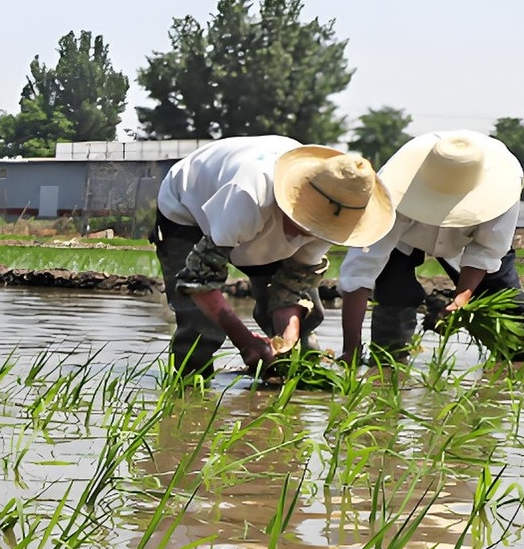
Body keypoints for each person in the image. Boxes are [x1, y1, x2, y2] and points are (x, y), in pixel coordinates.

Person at [152, 136, 393, 376]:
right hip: (188, 209)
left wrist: (287, 337)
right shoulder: (249, 196)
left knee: (305, 332)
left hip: (251, 222)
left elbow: (292, 284)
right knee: (201, 325)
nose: (311, 234)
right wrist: (244, 340)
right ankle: (190, 386)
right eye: (311, 222)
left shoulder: (337, 214)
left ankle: (276, 382)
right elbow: (198, 281)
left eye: (321, 226)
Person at [337, 131, 524, 363]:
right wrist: (351, 348)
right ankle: (388, 362)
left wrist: (461, 299)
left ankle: (513, 367)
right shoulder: (393, 194)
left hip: (466, 241)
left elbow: (487, 250)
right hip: (405, 239)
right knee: (394, 294)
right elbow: (360, 269)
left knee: (507, 306)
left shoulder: (501, 191)